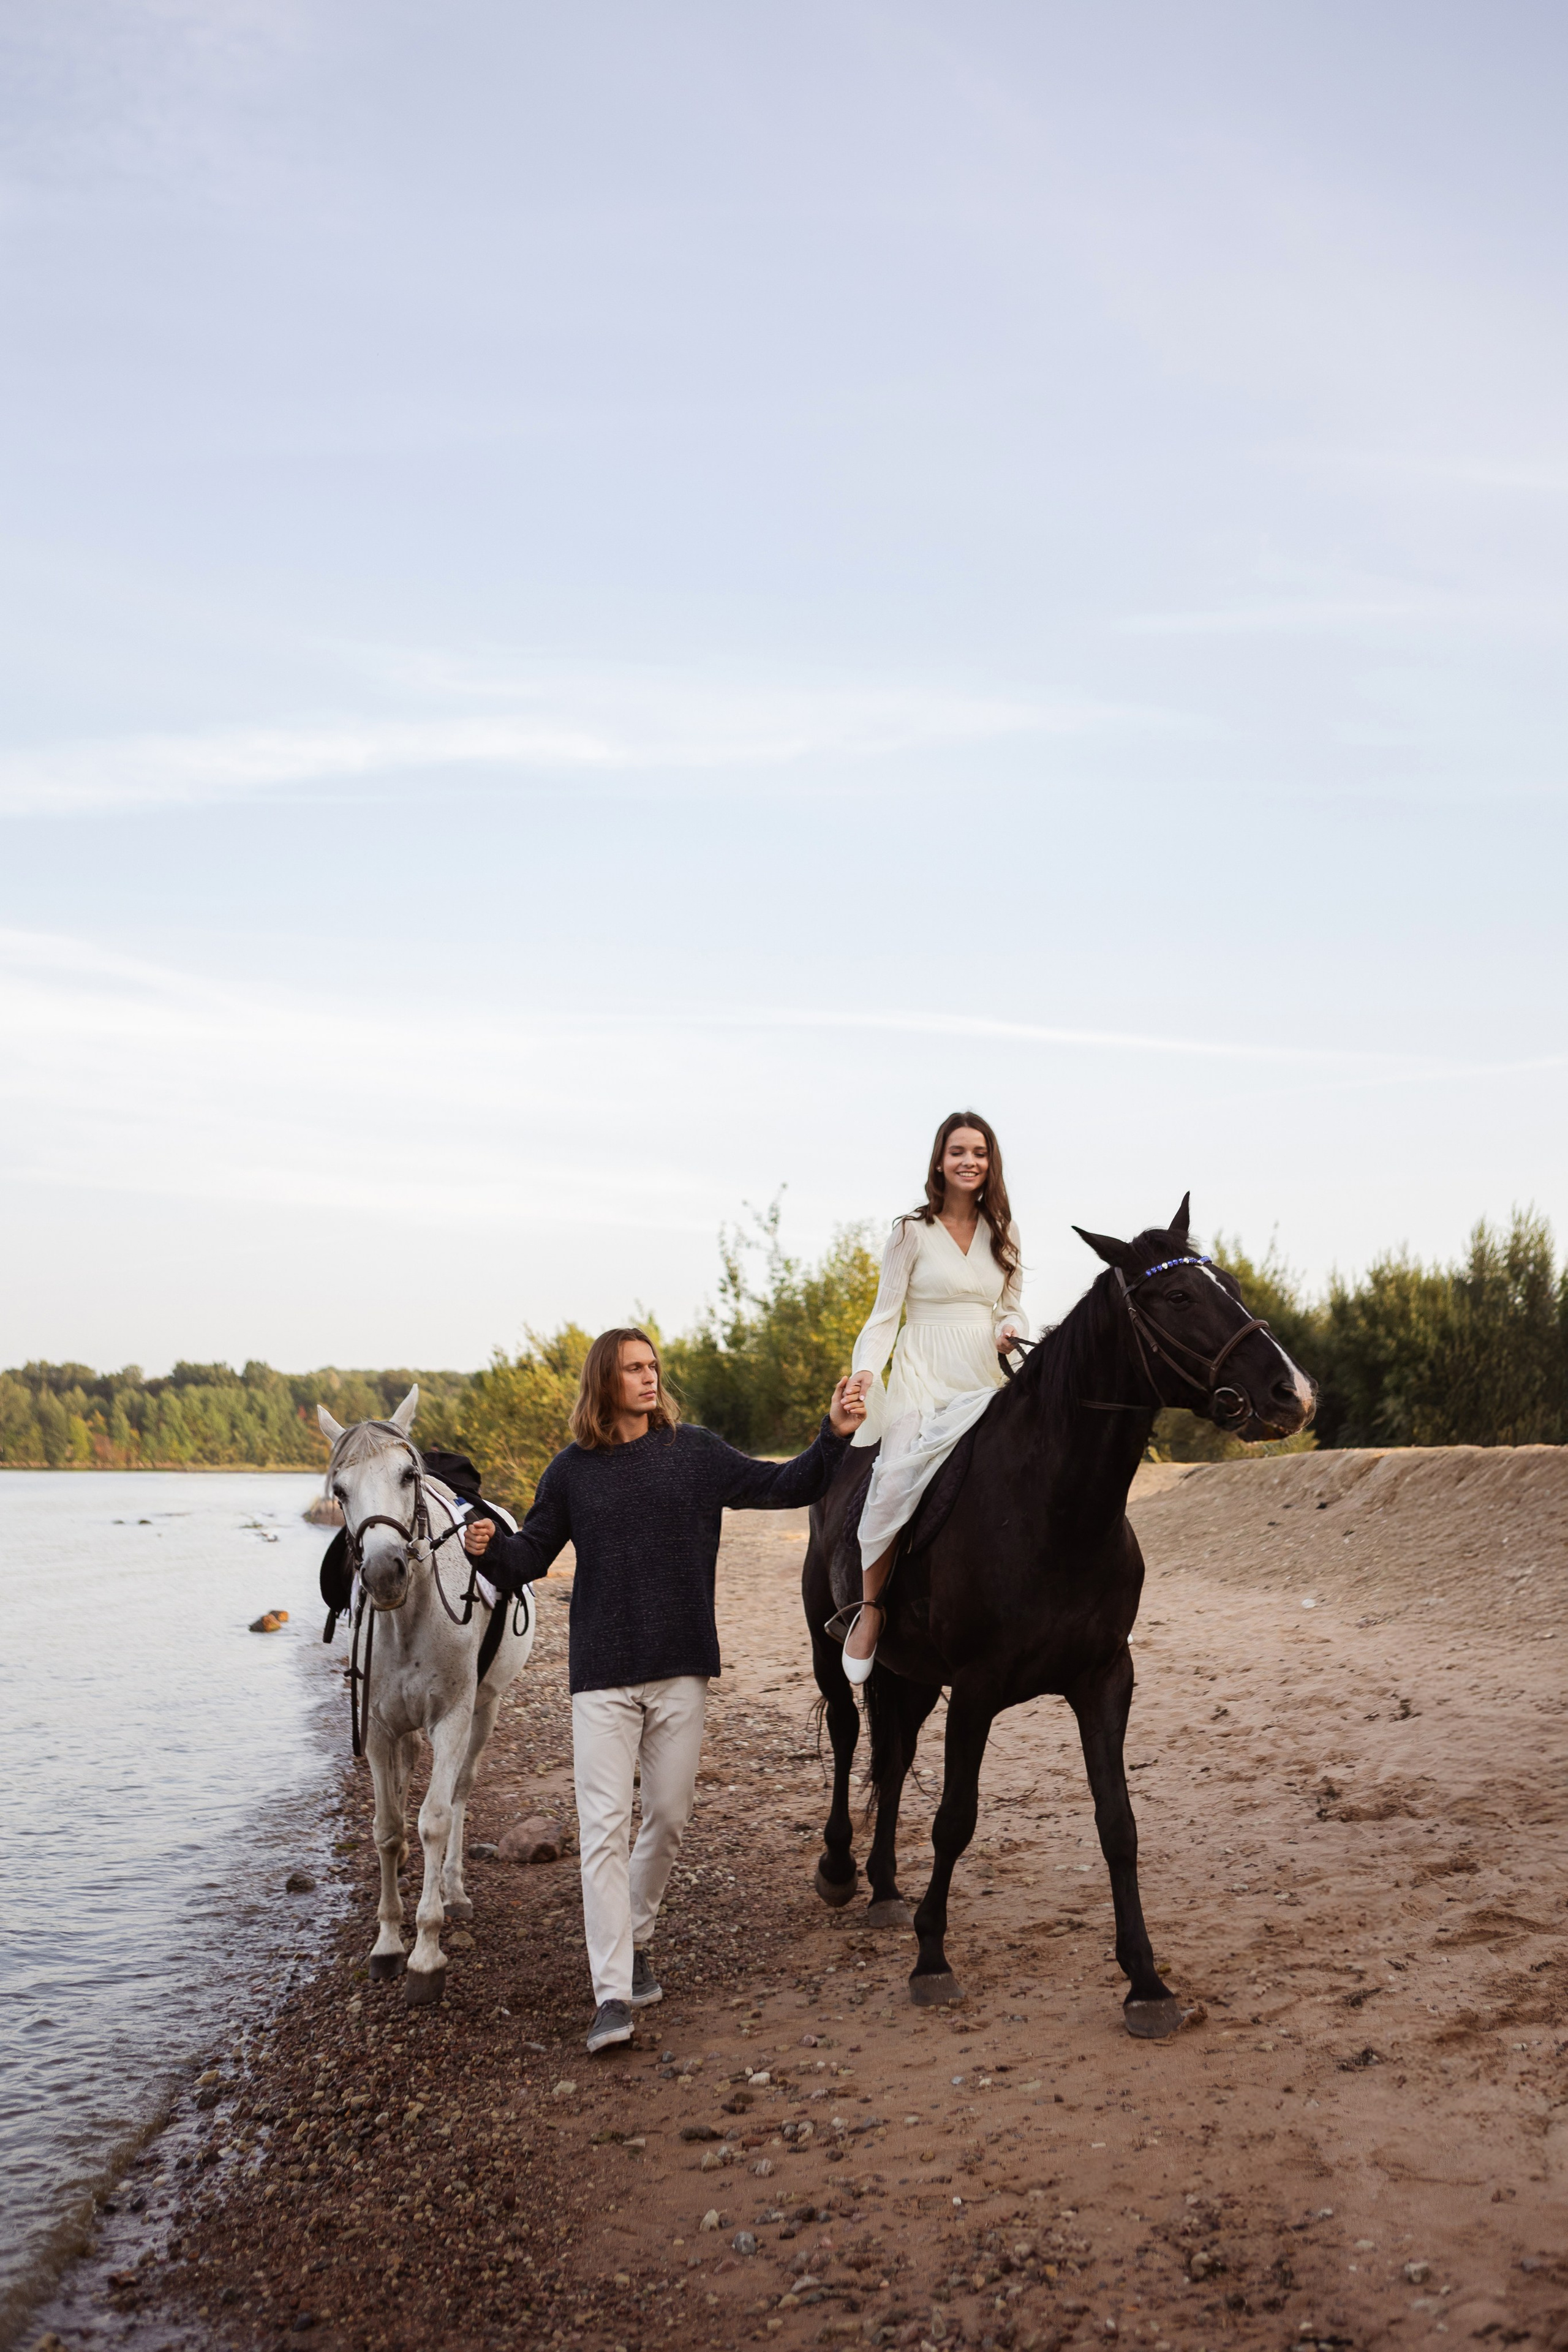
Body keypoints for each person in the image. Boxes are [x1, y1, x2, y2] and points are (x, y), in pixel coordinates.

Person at [463, 1327, 864, 2053]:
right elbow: (528, 1559)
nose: (650, 1379)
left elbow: (787, 1483)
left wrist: (831, 1435)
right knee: (602, 1831)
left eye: (653, 1367)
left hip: (681, 1664)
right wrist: (487, 1547)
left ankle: (636, 1936)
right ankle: (612, 1994)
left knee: (670, 1816)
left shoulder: (697, 1453)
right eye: (633, 1370)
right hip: (601, 1678)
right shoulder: (571, 1472)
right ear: (604, 1383)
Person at [840, 1110, 1027, 1681]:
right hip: (923, 1372)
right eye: (958, 1151)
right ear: (939, 1162)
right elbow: (884, 1316)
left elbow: (1012, 1303)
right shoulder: (910, 1232)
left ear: (990, 1163)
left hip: (981, 1374)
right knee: (894, 1476)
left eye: (980, 1152)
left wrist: (1009, 1327)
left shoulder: (1006, 1232)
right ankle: (870, 1608)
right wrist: (868, 1373)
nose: (969, 1161)